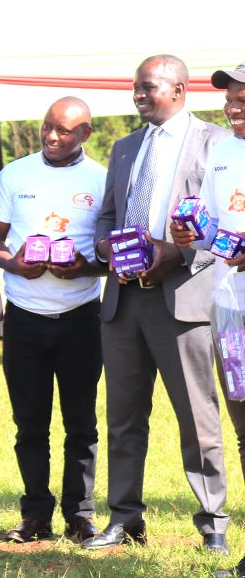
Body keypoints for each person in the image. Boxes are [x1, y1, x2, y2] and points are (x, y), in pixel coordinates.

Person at [83, 55, 231, 553]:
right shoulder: (125, 148)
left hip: (183, 301)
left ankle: (213, 522)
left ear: (179, 89)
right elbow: (106, 217)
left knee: (198, 417)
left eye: (148, 87)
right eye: (136, 88)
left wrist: (179, 252)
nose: (138, 95)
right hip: (123, 302)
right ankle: (125, 519)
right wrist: (107, 248)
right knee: (123, 417)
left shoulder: (217, 143)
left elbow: (223, 221)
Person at [0, 97, 107, 544]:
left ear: (86, 134)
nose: (53, 137)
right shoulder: (15, 174)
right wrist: (12, 264)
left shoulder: (102, 179)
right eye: (47, 127)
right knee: (30, 424)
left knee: (82, 423)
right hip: (25, 319)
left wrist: (85, 267)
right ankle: (35, 515)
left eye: (65, 131)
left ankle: (81, 514)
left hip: (80, 318)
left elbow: (111, 258)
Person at [175, 63, 245, 578]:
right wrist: (191, 235)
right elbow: (217, 229)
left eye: (243, 98)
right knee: (244, 428)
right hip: (231, 310)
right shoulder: (222, 153)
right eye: (230, 98)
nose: (232, 106)